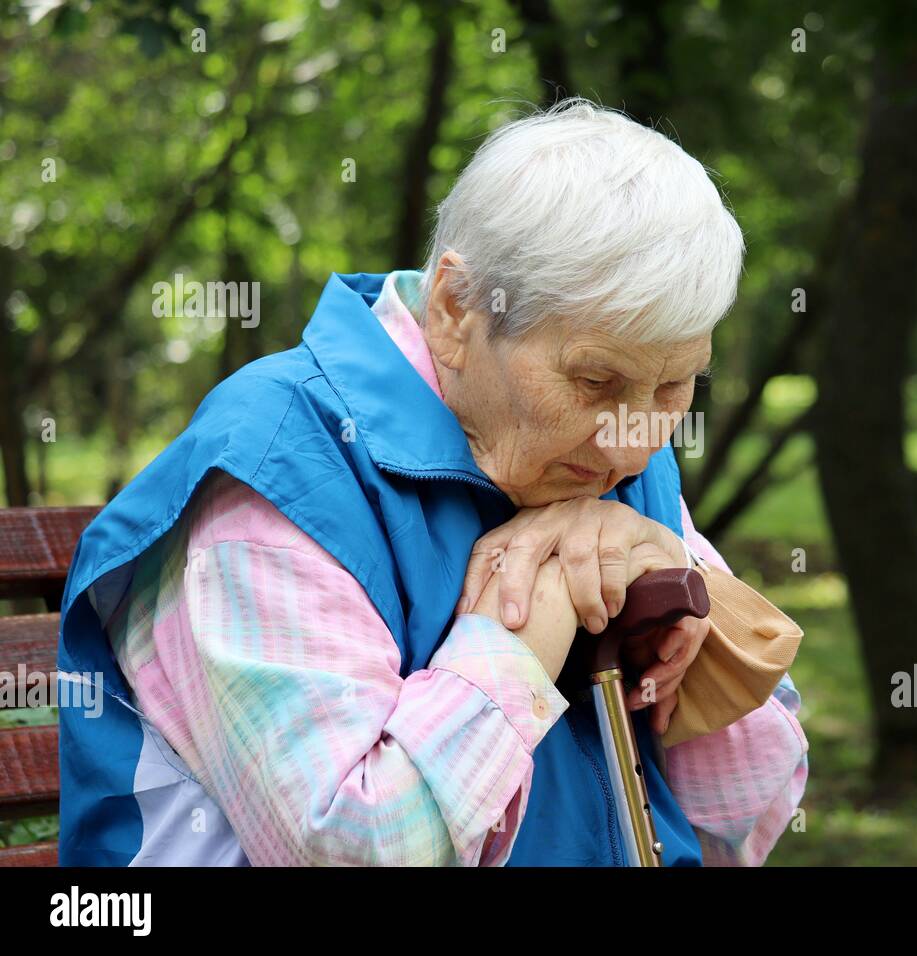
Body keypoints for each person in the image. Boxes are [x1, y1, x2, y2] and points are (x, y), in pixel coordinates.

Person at [57, 98, 808, 866]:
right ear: (455, 309)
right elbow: (356, 851)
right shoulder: (272, 472)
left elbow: (740, 820)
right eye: (595, 380)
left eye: (678, 387)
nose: (638, 441)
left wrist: (686, 605)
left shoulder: (609, 459)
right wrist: (531, 619)